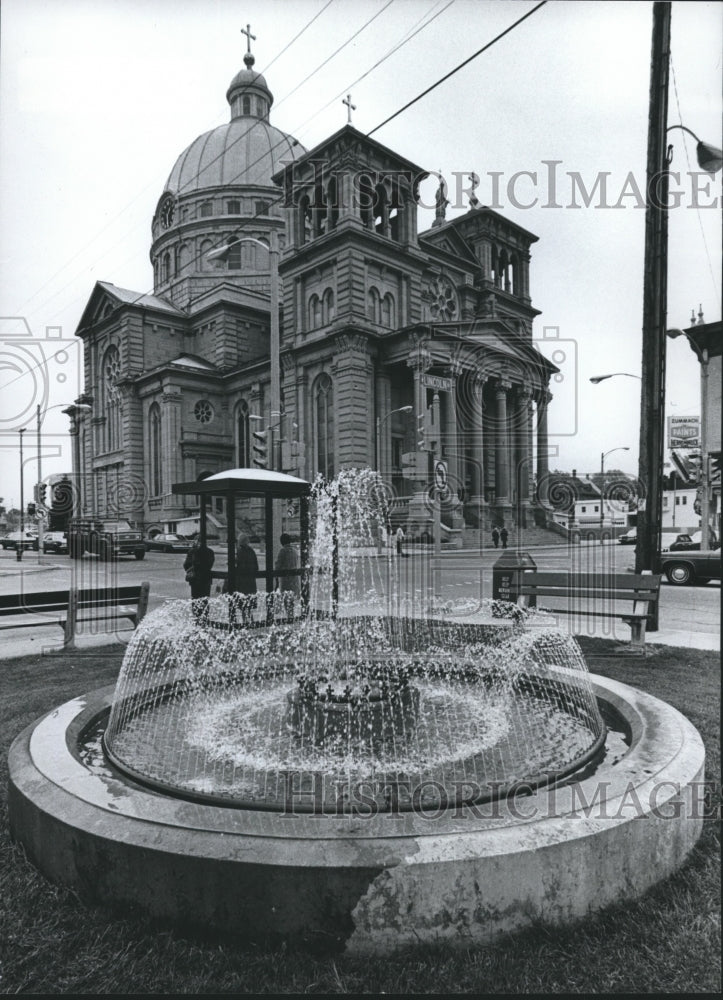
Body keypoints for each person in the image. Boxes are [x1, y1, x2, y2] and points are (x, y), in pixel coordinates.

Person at [183, 538, 215, 623]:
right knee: (205, 600)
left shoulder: (193, 552)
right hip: (206, 579)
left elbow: (186, 565)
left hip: (195, 580)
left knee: (196, 600)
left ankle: (197, 619)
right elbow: (210, 564)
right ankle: (205, 619)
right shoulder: (210, 552)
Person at [231, 533, 258, 625]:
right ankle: (252, 622)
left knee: (243, 605)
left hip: (242, 582)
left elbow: (237, 567)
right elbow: (256, 567)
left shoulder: (239, 552)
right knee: (249, 604)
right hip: (251, 582)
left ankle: (245, 623)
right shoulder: (251, 551)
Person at [274, 532, 300, 619]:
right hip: (294, 578)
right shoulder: (295, 551)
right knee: (291, 599)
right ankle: (291, 615)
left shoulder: (283, 551)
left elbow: (279, 565)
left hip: (285, 579)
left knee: (286, 598)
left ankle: (289, 617)